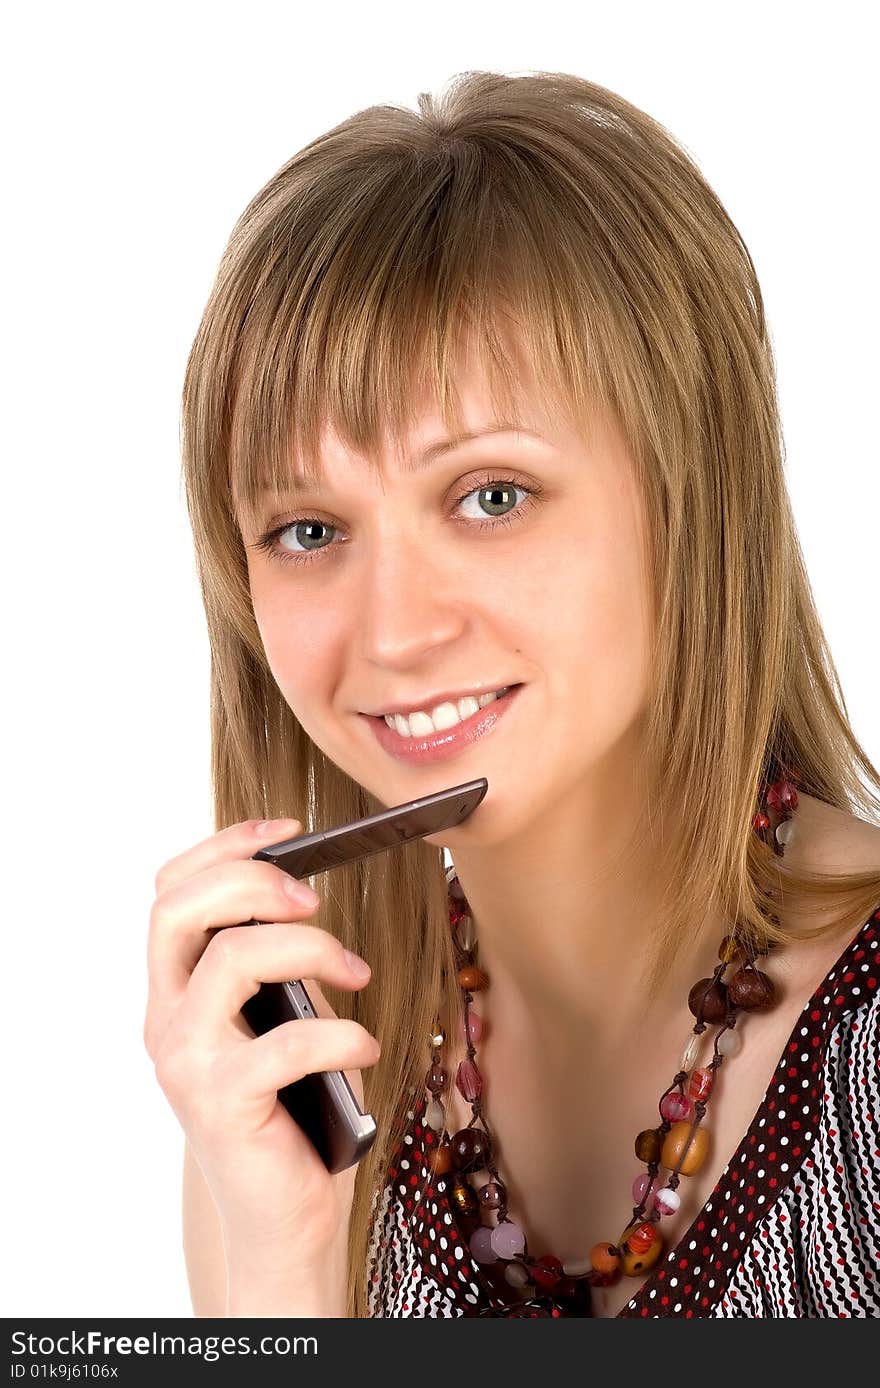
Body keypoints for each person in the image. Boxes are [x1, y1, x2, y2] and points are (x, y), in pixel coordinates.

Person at [144, 70, 880, 1318]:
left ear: (693, 498)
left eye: (491, 495)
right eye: (310, 527)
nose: (394, 629)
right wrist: (283, 1265)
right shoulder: (292, 1089)